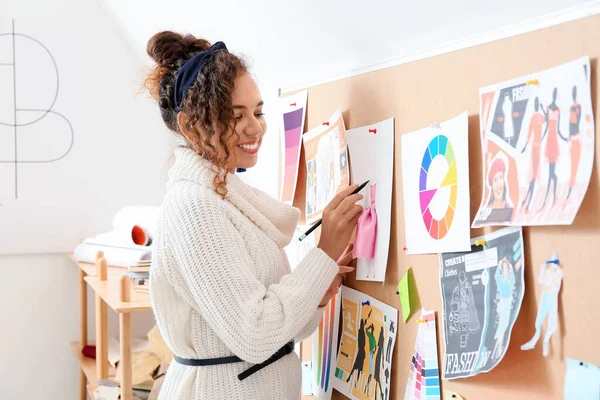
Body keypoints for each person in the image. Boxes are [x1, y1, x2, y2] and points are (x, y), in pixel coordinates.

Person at [144, 32, 363, 400]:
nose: (256, 128)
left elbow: (275, 326)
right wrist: (322, 255)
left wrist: (317, 292)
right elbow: (255, 334)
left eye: (259, 112)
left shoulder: (228, 199)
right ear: (189, 126)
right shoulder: (195, 208)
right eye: (236, 116)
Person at [539, 87, 568, 211]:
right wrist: (541, 139)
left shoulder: (558, 110)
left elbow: (559, 127)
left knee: (552, 172)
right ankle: (551, 195)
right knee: (551, 172)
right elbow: (546, 127)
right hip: (550, 140)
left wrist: (564, 138)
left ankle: (551, 196)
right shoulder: (547, 109)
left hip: (554, 140)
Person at [520, 97, 546, 214]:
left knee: (536, 176)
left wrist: (542, 108)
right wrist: (525, 146)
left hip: (539, 148)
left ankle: (527, 202)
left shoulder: (540, 117)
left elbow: (548, 120)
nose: (536, 105)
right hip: (534, 149)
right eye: (535, 103)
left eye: (537, 103)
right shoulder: (534, 118)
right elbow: (529, 134)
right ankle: (527, 203)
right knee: (533, 177)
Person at [492, 258, 515, 360]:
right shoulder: (500, 278)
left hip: (507, 303)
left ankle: (498, 349)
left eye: (506, 267)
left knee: (504, 325)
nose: (505, 269)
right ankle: (497, 349)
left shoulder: (510, 279)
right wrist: (500, 263)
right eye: (503, 267)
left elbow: (513, 278)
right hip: (503, 303)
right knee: (502, 325)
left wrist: (509, 265)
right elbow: (496, 275)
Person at [567, 85, 582, 200]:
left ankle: (573, 188)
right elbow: (570, 123)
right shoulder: (572, 107)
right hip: (572, 138)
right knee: (572, 163)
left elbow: (577, 120)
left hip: (576, 137)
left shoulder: (577, 107)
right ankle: (571, 187)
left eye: (574, 92)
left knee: (575, 164)